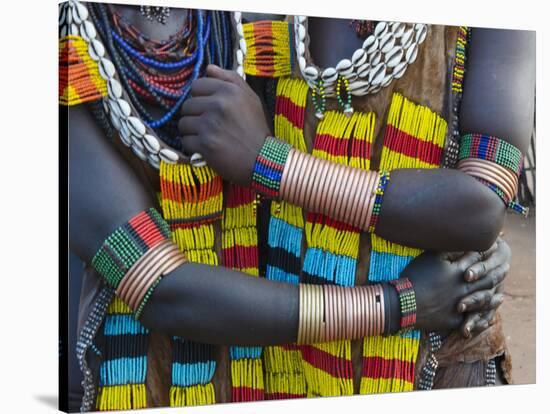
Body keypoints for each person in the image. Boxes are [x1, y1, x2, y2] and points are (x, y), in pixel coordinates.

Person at [61, 1, 532, 411]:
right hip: (238, 369)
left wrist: (271, 163)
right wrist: (399, 302)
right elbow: (160, 286)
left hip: (434, 364)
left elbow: (480, 208)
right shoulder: (78, 36)